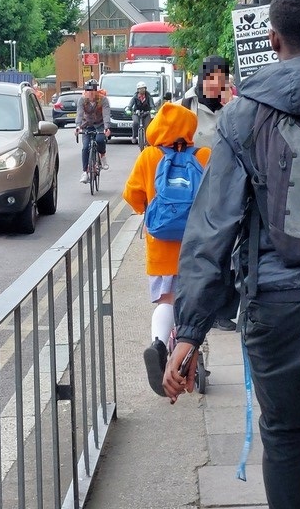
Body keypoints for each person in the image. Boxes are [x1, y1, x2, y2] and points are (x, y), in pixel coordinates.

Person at [163, 0, 300, 509]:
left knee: (282, 440)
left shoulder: (242, 117)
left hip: (273, 308)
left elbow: (212, 230)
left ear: (274, 41)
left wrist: (187, 332)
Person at [122, 102, 210, 396]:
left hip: (161, 250)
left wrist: (146, 213)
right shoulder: (204, 155)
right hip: (197, 248)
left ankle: (159, 345)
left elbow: (131, 194)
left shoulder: (149, 156)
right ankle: (190, 356)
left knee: (166, 302)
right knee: (196, 305)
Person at [180, 55, 239, 331]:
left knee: (230, 250)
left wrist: (232, 104)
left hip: (228, 187)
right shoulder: (187, 105)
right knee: (202, 252)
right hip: (194, 188)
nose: (218, 83)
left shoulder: (235, 105)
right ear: (204, 79)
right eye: (213, 77)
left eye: (223, 77)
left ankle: (224, 311)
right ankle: (199, 311)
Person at [75, 79, 111, 183]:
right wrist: (78, 127)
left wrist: (106, 127)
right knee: (85, 147)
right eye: (88, 91)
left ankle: (102, 156)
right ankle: (85, 172)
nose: (90, 93)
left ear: (96, 91)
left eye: (92, 91)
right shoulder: (82, 100)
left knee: (100, 140)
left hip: (100, 124)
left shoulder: (103, 100)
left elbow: (106, 114)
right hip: (87, 125)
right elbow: (79, 114)